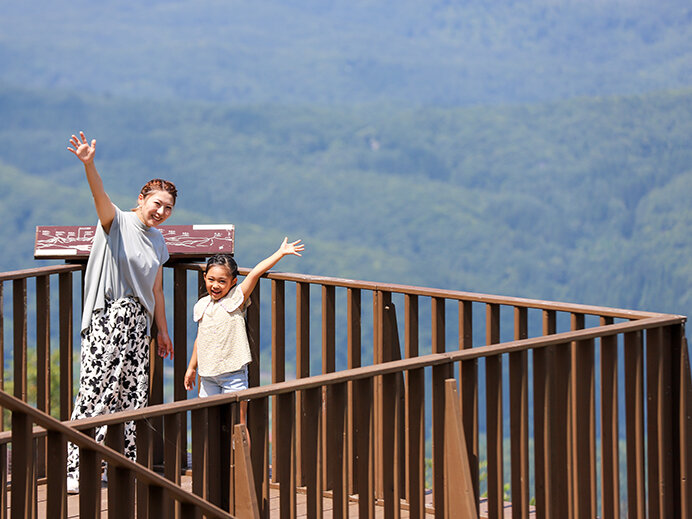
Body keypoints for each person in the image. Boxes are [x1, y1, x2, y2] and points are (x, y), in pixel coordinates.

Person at [65, 131, 176, 493]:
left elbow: (156, 289)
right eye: (156, 203)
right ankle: (74, 467)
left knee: (130, 396)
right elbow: (99, 195)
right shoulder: (117, 222)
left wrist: (162, 330)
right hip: (109, 317)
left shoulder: (159, 241)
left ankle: (116, 466)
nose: (160, 212)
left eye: (167, 208)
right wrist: (89, 164)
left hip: (138, 326)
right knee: (95, 390)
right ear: (141, 199)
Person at [184, 239, 304, 408]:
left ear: (233, 282)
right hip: (207, 373)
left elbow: (255, 273)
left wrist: (280, 253)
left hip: (233, 372)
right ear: (205, 277)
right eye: (211, 279)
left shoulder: (236, 299)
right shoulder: (202, 305)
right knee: (208, 419)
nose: (215, 285)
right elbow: (200, 338)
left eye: (222, 281)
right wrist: (191, 368)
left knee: (238, 421)